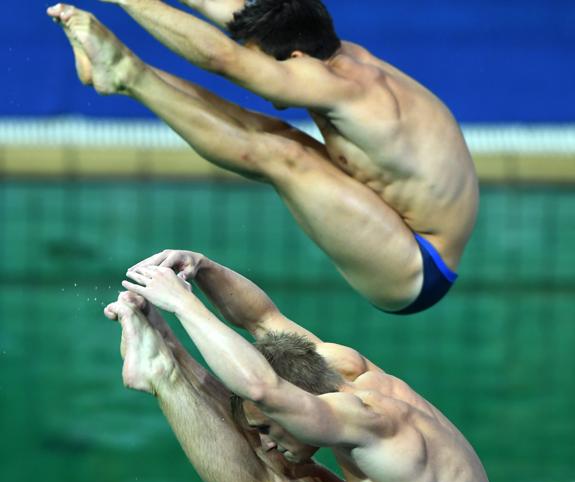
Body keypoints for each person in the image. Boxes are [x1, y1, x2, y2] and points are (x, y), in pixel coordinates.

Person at [103, 249, 497, 482]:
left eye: (270, 429)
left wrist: (184, 304)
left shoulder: (367, 419)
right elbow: (261, 317)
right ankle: (165, 349)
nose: (266, 441)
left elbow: (262, 390)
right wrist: (203, 267)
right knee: (285, 459)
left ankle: (162, 372)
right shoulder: (336, 367)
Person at [48, 0, 478, 314]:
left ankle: (125, 74)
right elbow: (232, 16)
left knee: (283, 155)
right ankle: (119, 67)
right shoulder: (327, 50)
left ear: (295, 59)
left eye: (268, 65)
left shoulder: (345, 91)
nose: (262, 71)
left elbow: (223, 58)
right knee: (278, 135)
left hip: (418, 267)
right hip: (402, 221)